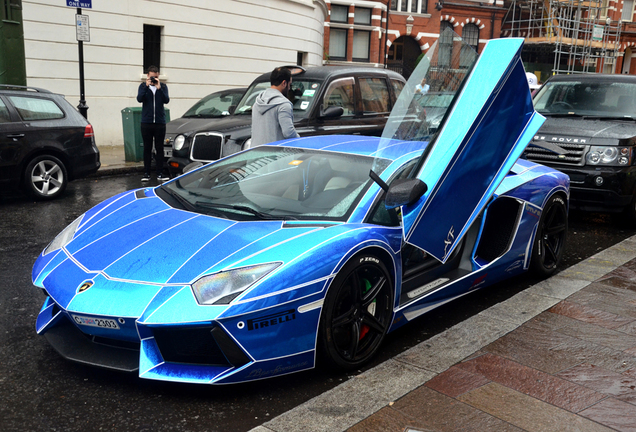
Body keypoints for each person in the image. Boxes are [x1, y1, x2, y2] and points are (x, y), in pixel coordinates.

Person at [251, 67, 300, 147]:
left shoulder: (257, 102)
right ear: (284, 83)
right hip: (275, 156)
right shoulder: (284, 104)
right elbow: (288, 133)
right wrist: (299, 139)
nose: (289, 88)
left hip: (255, 154)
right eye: (289, 84)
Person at [137, 65, 170, 182]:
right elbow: (139, 99)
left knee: (159, 148)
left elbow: (166, 100)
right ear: (147, 76)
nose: (153, 79)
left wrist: (159, 87)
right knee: (147, 148)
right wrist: (146, 86)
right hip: (146, 123)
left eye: (155, 77)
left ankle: (160, 173)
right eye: (151, 77)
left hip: (160, 123)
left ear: (158, 76)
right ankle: (146, 173)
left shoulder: (163, 87)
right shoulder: (142, 86)